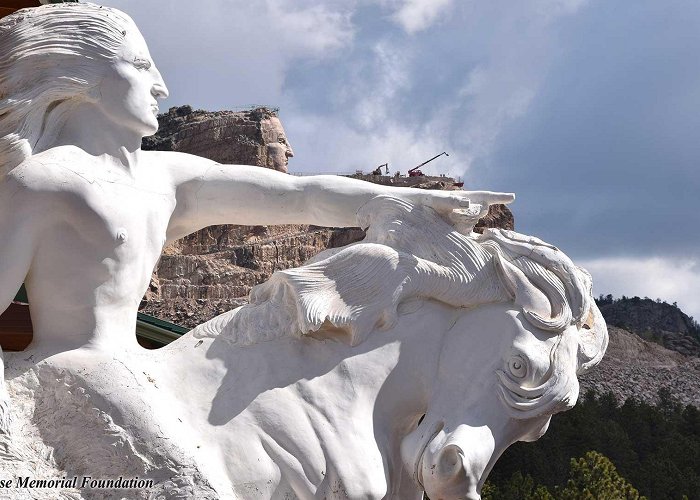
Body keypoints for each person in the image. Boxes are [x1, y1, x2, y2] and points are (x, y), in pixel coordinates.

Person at [0, 3, 512, 430]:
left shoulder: (167, 177)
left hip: (143, 370)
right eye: (140, 65)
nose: (161, 85)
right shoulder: (42, 183)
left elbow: (300, 196)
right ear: (82, 77)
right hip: (77, 380)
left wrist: (402, 202)